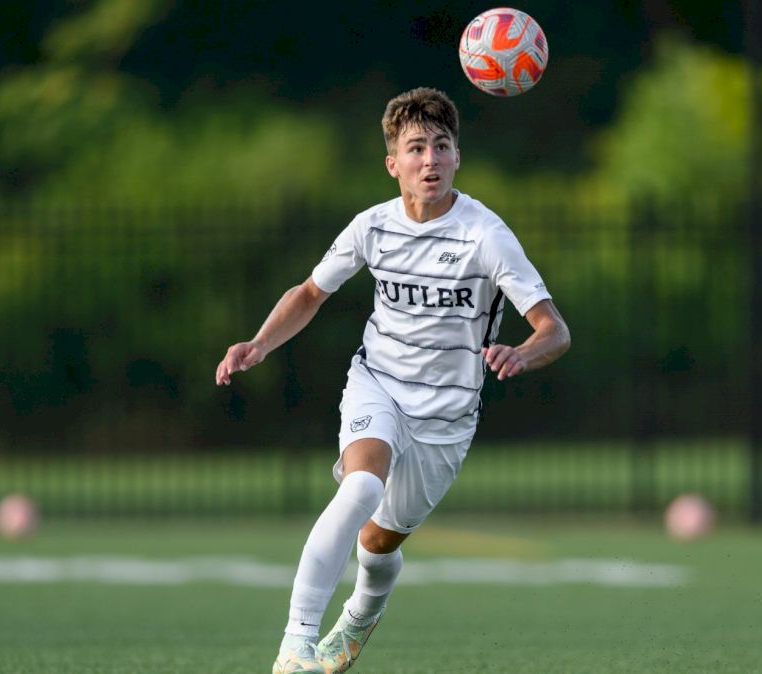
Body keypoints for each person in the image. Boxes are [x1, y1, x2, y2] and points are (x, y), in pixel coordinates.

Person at [215, 87, 571, 674]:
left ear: (458, 157)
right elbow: (309, 294)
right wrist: (258, 343)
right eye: (416, 148)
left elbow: (553, 330)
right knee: (359, 489)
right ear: (393, 164)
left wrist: (523, 354)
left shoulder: (486, 235)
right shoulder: (372, 226)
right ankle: (295, 646)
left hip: (447, 417)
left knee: (378, 545)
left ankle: (360, 613)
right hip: (378, 383)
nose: (429, 160)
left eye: (441, 146)